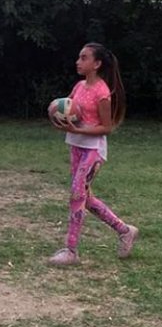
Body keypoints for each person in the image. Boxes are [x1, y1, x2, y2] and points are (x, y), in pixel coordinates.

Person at [48, 42, 138, 266]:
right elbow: (69, 109)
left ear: (96, 64)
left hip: (93, 150)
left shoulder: (102, 92)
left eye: (83, 58)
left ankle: (71, 250)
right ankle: (125, 230)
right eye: (79, 57)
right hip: (76, 146)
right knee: (84, 198)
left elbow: (106, 128)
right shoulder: (79, 86)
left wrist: (77, 129)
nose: (78, 61)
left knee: (76, 193)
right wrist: (57, 114)